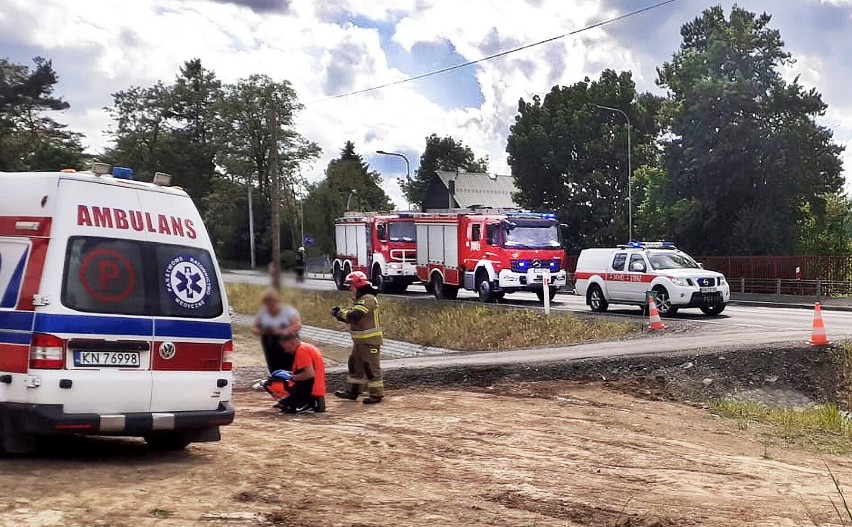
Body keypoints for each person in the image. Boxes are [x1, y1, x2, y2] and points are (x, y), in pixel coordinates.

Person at [331, 270, 384, 404]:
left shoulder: (368, 299)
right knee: (355, 366)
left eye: (351, 285)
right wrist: (341, 315)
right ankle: (352, 391)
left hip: (369, 341)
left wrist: (339, 313)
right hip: (360, 341)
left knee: (371, 368)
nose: (350, 288)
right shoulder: (362, 299)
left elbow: (354, 316)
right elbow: (352, 318)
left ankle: (376, 395)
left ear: (358, 285)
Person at [272, 334, 327, 414]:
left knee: (271, 384)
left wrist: (290, 377)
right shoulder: (306, 347)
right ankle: (291, 402)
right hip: (314, 393)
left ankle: (300, 403)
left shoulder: (302, 350)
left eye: (286, 347)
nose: (286, 350)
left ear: (292, 342)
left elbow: (309, 374)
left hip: (311, 394)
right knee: (284, 403)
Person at [251, 288, 301, 374]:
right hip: (269, 342)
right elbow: (254, 328)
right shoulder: (263, 313)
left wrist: (282, 331)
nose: (270, 307)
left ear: (277, 302)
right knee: (273, 365)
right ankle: (277, 380)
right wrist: (262, 331)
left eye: (272, 305)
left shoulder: (289, 311)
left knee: (290, 364)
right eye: (267, 305)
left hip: (287, 340)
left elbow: (297, 325)